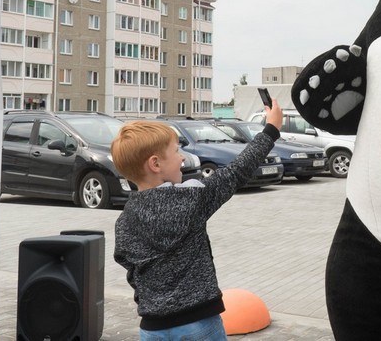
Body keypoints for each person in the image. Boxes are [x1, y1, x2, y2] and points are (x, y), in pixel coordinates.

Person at [112, 101, 284, 341]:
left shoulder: (124, 220)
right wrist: (271, 130)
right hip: (199, 323)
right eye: (176, 152)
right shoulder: (191, 199)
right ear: (155, 164)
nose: (182, 158)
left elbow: (130, 268)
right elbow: (236, 172)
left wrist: (152, 301)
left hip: (152, 327)